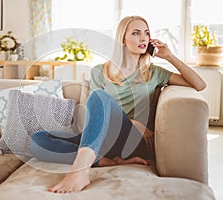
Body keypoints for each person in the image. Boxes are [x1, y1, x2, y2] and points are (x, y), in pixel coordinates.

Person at [29, 15, 206, 193]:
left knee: (100, 96)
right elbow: (95, 112)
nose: (143, 38)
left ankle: (81, 170)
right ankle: (105, 161)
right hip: (104, 138)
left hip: (134, 141)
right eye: (136, 33)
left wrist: (169, 56)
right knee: (37, 141)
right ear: (122, 39)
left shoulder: (154, 72)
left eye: (146, 33)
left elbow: (199, 84)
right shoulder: (100, 71)